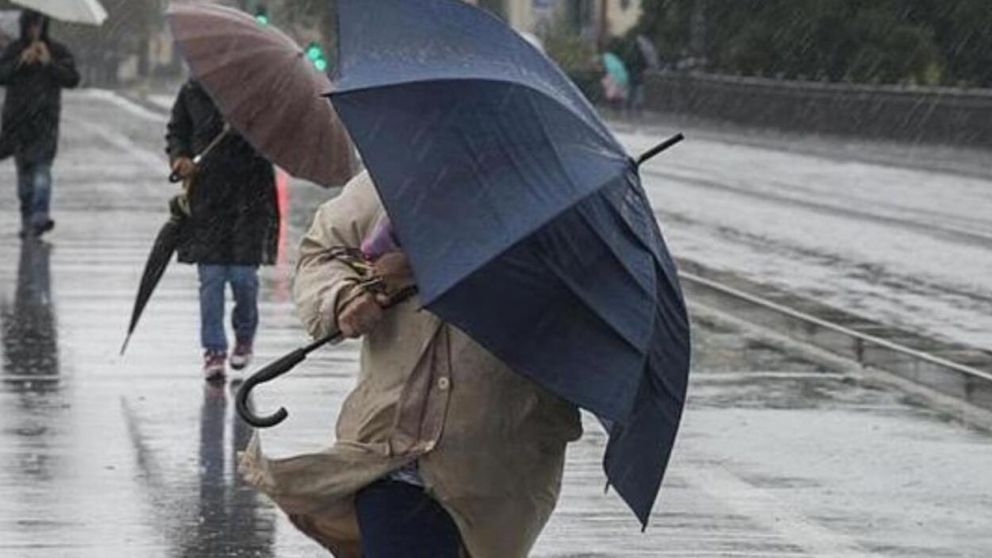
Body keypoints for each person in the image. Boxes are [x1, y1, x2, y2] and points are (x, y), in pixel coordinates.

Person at [239, 171, 583, 558]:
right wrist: (344, 297)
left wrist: (435, 262)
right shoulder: (396, 176)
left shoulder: (560, 199)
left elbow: (583, 315)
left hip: (498, 469)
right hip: (389, 453)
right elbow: (323, 254)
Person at [166, 79, 279, 381]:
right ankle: (213, 350)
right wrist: (180, 158)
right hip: (208, 200)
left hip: (249, 201)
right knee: (211, 280)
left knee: (244, 280)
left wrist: (245, 128)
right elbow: (177, 131)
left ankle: (244, 336)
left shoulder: (258, 93)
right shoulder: (193, 90)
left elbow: (275, 137)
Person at [0, 10, 80, 238]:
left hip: (45, 122)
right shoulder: (14, 50)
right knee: (24, 177)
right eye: (30, 26)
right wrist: (20, 62)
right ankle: (28, 220)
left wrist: (48, 63)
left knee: (42, 169)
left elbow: (72, 79)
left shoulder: (57, 51)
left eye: (37, 26)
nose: (33, 31)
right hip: (17, 123)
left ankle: (40, 213)